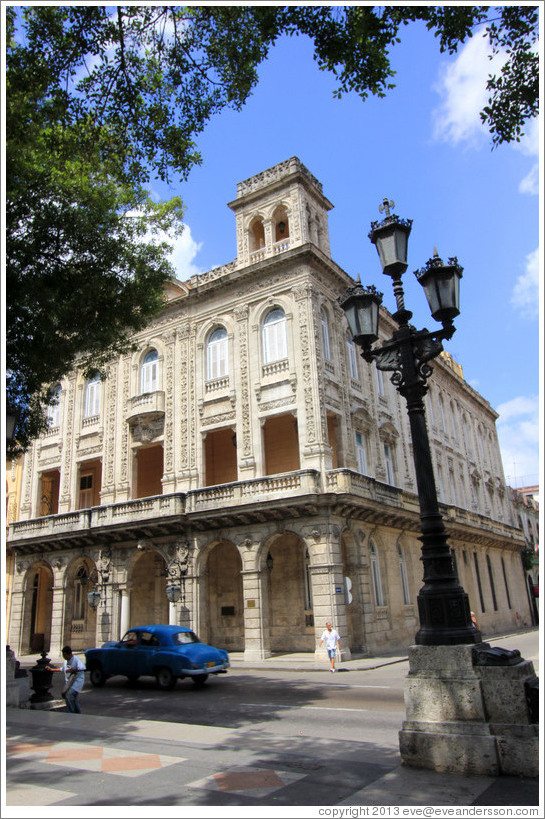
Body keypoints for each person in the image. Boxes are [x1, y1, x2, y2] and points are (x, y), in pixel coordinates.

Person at [47, 646, 86, 713]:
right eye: (63, 655)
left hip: (77, 682)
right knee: (74, 699)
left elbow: (82, 668)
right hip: (69, 683)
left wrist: (73, 670)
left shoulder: (76, 659)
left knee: (69, 695)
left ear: (70, 654)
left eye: (65, 655)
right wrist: (51, 669)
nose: (64, 656)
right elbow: (62, 669)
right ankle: (78, 713)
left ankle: (70, 712)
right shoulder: (66, 662)